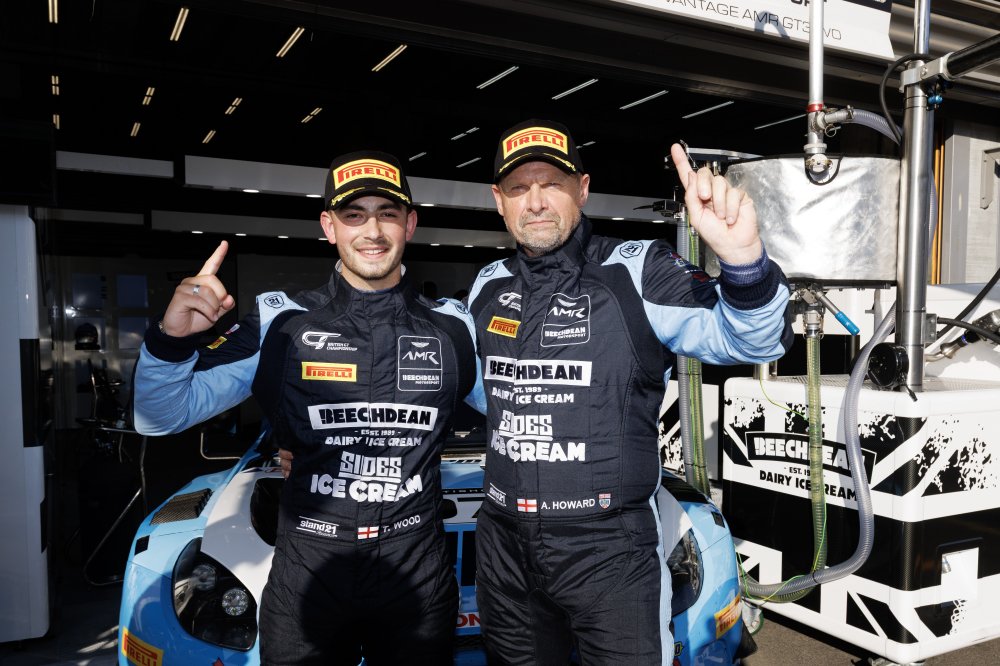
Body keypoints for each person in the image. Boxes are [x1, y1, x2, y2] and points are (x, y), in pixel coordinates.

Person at [132, 150, 484, 665]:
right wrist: (171, 341)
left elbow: (524, 408)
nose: (373, 231)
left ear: (409, 224)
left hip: (417, 572)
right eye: (354, 215)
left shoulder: (454, 326)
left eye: (387, 213)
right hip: (308, 572)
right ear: (328, 226)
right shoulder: (281, 322)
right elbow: (160, 416)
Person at [465, 119, 794, 665]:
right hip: (504, 548)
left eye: (552, 184)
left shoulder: (637, 269)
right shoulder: (488, 284)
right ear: (499, 201)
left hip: (609, 550)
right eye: (519, 188)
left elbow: (752, 339)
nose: (536, 201)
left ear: (583, 189)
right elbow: (484, 396)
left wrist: (744, 262)